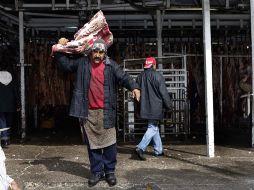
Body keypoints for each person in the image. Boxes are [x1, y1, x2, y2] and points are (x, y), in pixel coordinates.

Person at [54, 38, 140, 187]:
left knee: (110, 145)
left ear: (104, 53)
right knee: (92, 145)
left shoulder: (111, 66)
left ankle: (110, 172)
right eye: (95, 51)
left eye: (101, 52)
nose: (98, 55)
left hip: (107, 111)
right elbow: (66, 65)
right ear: (90, 52)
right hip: (88, 112)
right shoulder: (82, 63)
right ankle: (96, 172)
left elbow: (124, 77)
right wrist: (59, 48)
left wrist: (134, 87)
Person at [135, 57, 172, 161]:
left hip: (144, 107)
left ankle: (158, 150)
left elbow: (136, 94)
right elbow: (164, 93)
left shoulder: (139, 77)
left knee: (154, 127)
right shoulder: (158, 76)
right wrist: (169, 106)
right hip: (156, 107)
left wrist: (138, 108)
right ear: (154, 65)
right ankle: (140, 147)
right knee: (152, 127)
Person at [0, 68, 20, 148]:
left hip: (0, 105)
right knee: (8, 122)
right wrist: (18, 105)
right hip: (11, 105)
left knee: (2, 121)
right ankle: (7, 138)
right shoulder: (12, 81)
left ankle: (4, 138)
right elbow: (16, 93)